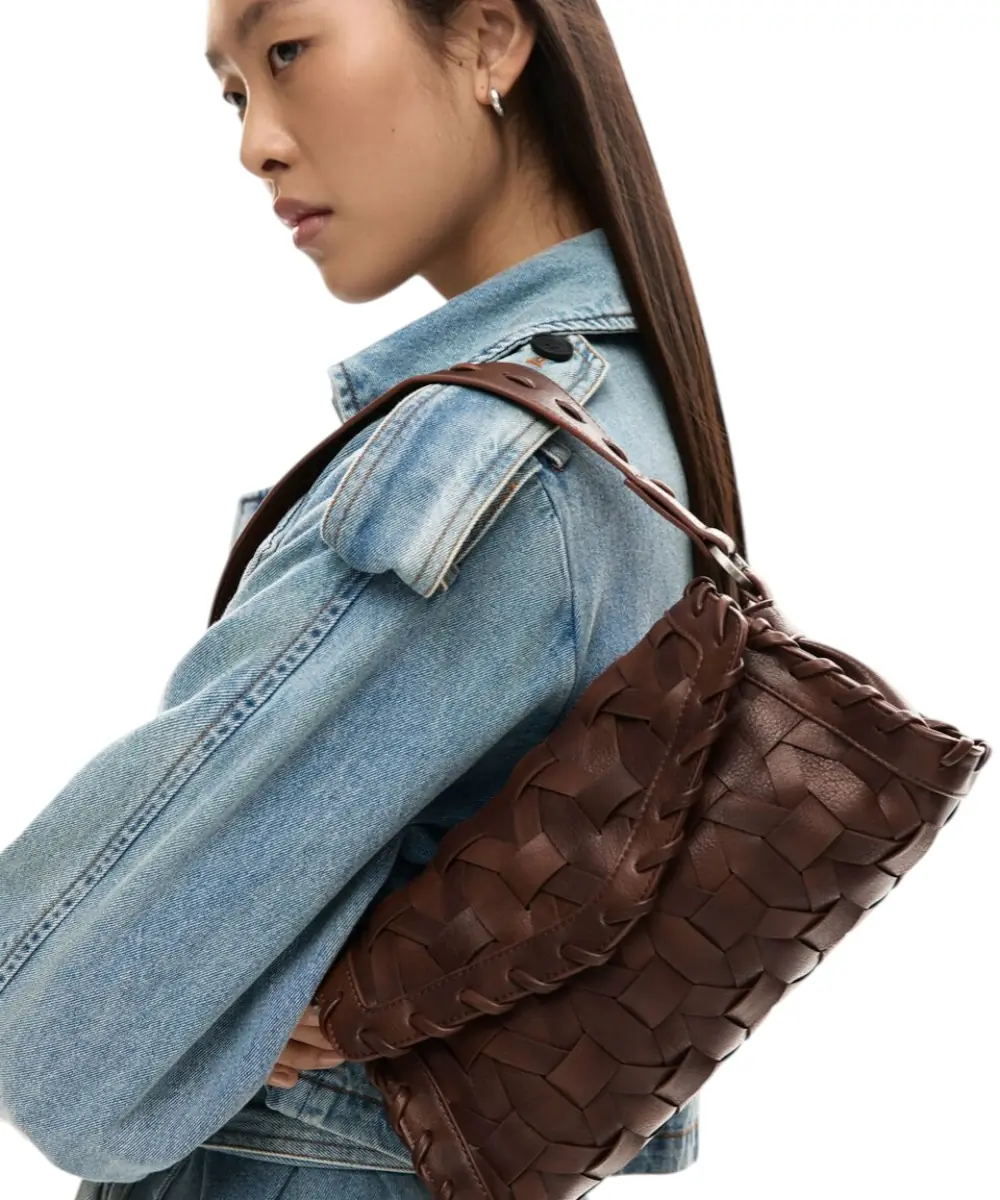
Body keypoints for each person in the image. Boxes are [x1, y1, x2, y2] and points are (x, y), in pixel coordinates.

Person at [0, 1, 747, 1195]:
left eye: (287, 52)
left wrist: (205, 1009)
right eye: (234, 92)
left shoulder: (499, 466)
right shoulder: (622, 412)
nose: (255, 144)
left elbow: (61, 1032)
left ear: (491, 36)